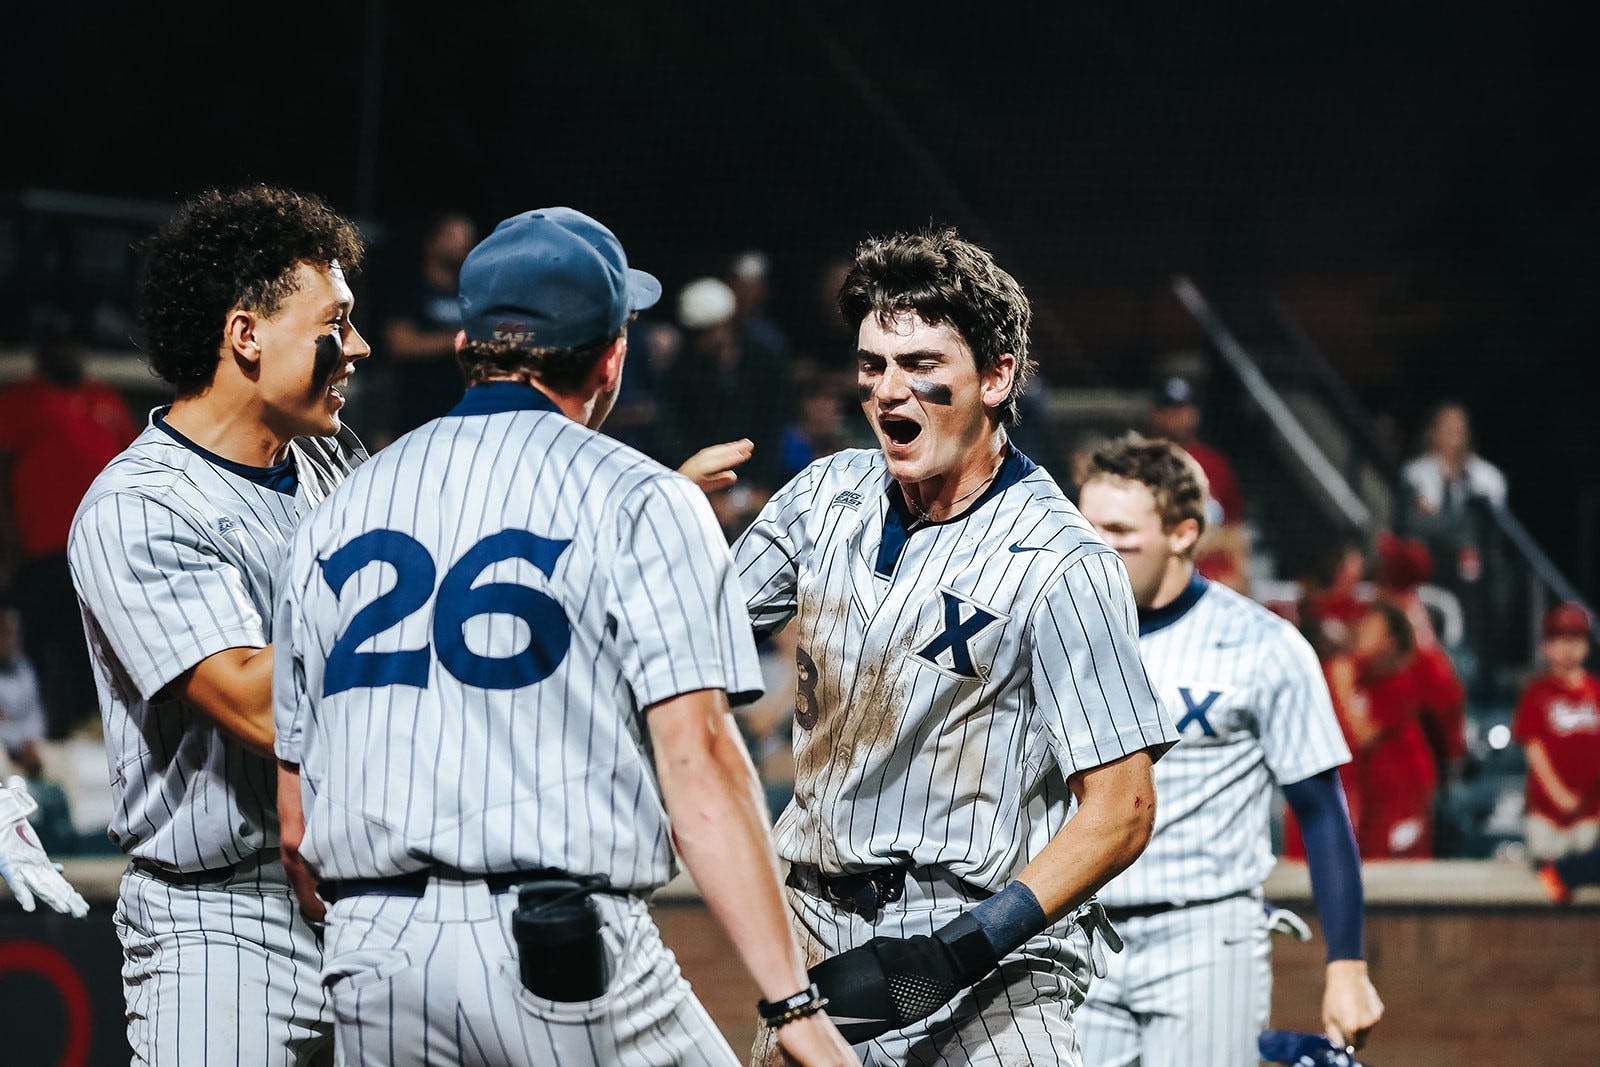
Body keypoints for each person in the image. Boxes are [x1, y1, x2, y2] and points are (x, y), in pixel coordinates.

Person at [271, 207, 856, 1067]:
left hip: (371, 956)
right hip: (555, 947)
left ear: (469, 343)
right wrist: (793, 1002)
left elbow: (295, 820)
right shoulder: (643, 497)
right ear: (611, 354)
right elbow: (699, 761)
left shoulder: (340, 505)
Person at [733, 229, 1178, 1065]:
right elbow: (679, 651)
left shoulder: (1062, 560)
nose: (890, 392)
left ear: (997, 375)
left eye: (922, 364)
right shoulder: (823, 497)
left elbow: (1123, 806)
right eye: (873, 366)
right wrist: (659, 526)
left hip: (988, 959)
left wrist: (958, 950)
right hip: (813, 933)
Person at [66, 184, 371, 1064]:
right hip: (227, 922)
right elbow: (257, 703)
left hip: (367, 897)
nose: (354, 347)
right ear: (246, 335)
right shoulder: (140, 505)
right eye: (333, 321)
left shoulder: (330, 459)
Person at [1074, 433, 1382, 1063]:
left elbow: (1321, 811)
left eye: (1118, 531)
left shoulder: (1262, 644)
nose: (1095, 548)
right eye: (1085, 527)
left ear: (1184, 533)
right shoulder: (1055, 634)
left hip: (1206, 932)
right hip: (1077, 932)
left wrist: (1347, 964)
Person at [0, 330, 138, 738]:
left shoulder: (106, 399)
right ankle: (38, 731)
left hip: (99, 550)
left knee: (92, 643)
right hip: (39, 549)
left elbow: (131, 467)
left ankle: (90, 726)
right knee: (40, 643)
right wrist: (8, 542)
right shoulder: (21, 400)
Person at [1514, 603, 1600, 867]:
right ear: (1546, 646)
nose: (1567, 648)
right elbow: (1534, 749)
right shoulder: (1537, 693)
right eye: (1559, 640)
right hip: (1547, 812)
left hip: (1591, 811)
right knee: (1547, 880)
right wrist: (1559, 795)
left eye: (1574, 640)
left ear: (1585, 645)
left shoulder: (1596, 692)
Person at [379, 210, 478, 439]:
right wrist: (459, 338)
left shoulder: (471, 293)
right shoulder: (410, 289)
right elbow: (400, 343)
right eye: (454, 236)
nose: (463, 243)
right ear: (432, 242)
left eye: (466, 236)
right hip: (413, 415)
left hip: (460, 415)